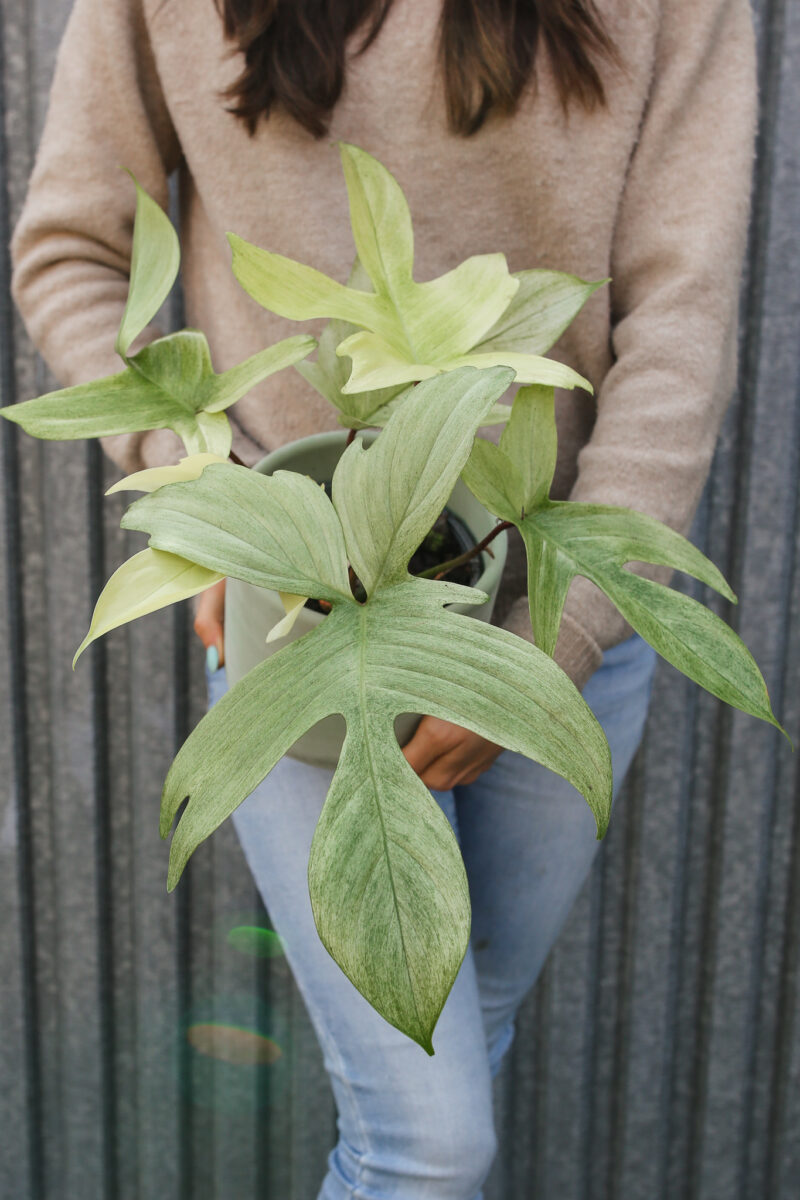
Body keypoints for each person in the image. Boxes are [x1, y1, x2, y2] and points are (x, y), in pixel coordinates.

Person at [10, 1, 757, 1195]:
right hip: (301, 619)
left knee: (462, 1037)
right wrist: (202, 495)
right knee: (428, 1142)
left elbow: (677, 312)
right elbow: (71, 250)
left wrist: (555, 641)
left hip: (564, 611)